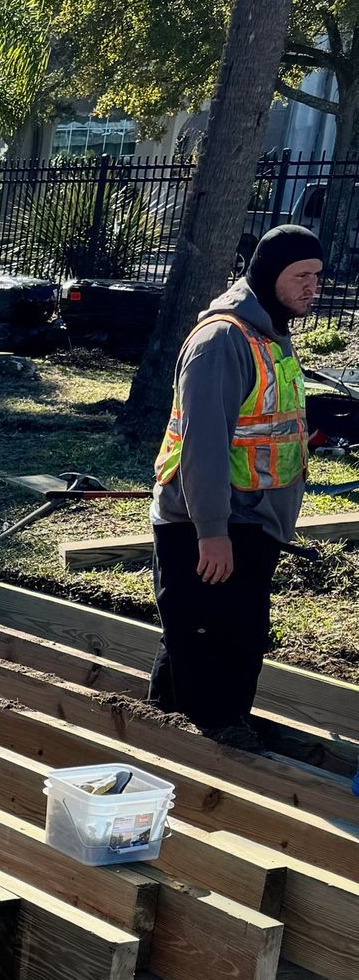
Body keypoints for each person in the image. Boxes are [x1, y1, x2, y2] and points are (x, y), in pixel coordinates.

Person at [148, 224, 322, 750]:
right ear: (270, 277)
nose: (313, 287)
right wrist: (212, 532)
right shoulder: (223, 341)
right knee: (219, 639)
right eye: (301, 277)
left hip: (253, 517)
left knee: (200, 637)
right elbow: (203, 443)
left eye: (317, 275)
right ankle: (217, 737)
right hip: (212, 521)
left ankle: (163, 723)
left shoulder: (270, 333)